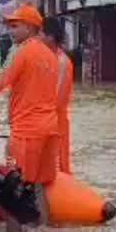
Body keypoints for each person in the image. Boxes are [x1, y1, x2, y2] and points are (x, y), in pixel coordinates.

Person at [0, 4, 59, 232]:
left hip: (25, 132)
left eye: (15, 25)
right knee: (39, 187)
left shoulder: (20, 51)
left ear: (30, 27)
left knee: (12, 189)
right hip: (49, 129)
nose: (10, 30)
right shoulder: (50, 55)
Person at [40, 16, 74, 174]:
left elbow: (55, 100)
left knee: (58, 170)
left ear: (50, 37)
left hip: (55, 126)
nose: (37, 38)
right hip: (48, 125)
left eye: (40, 33)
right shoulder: (47, 59)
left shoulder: (60, 61)